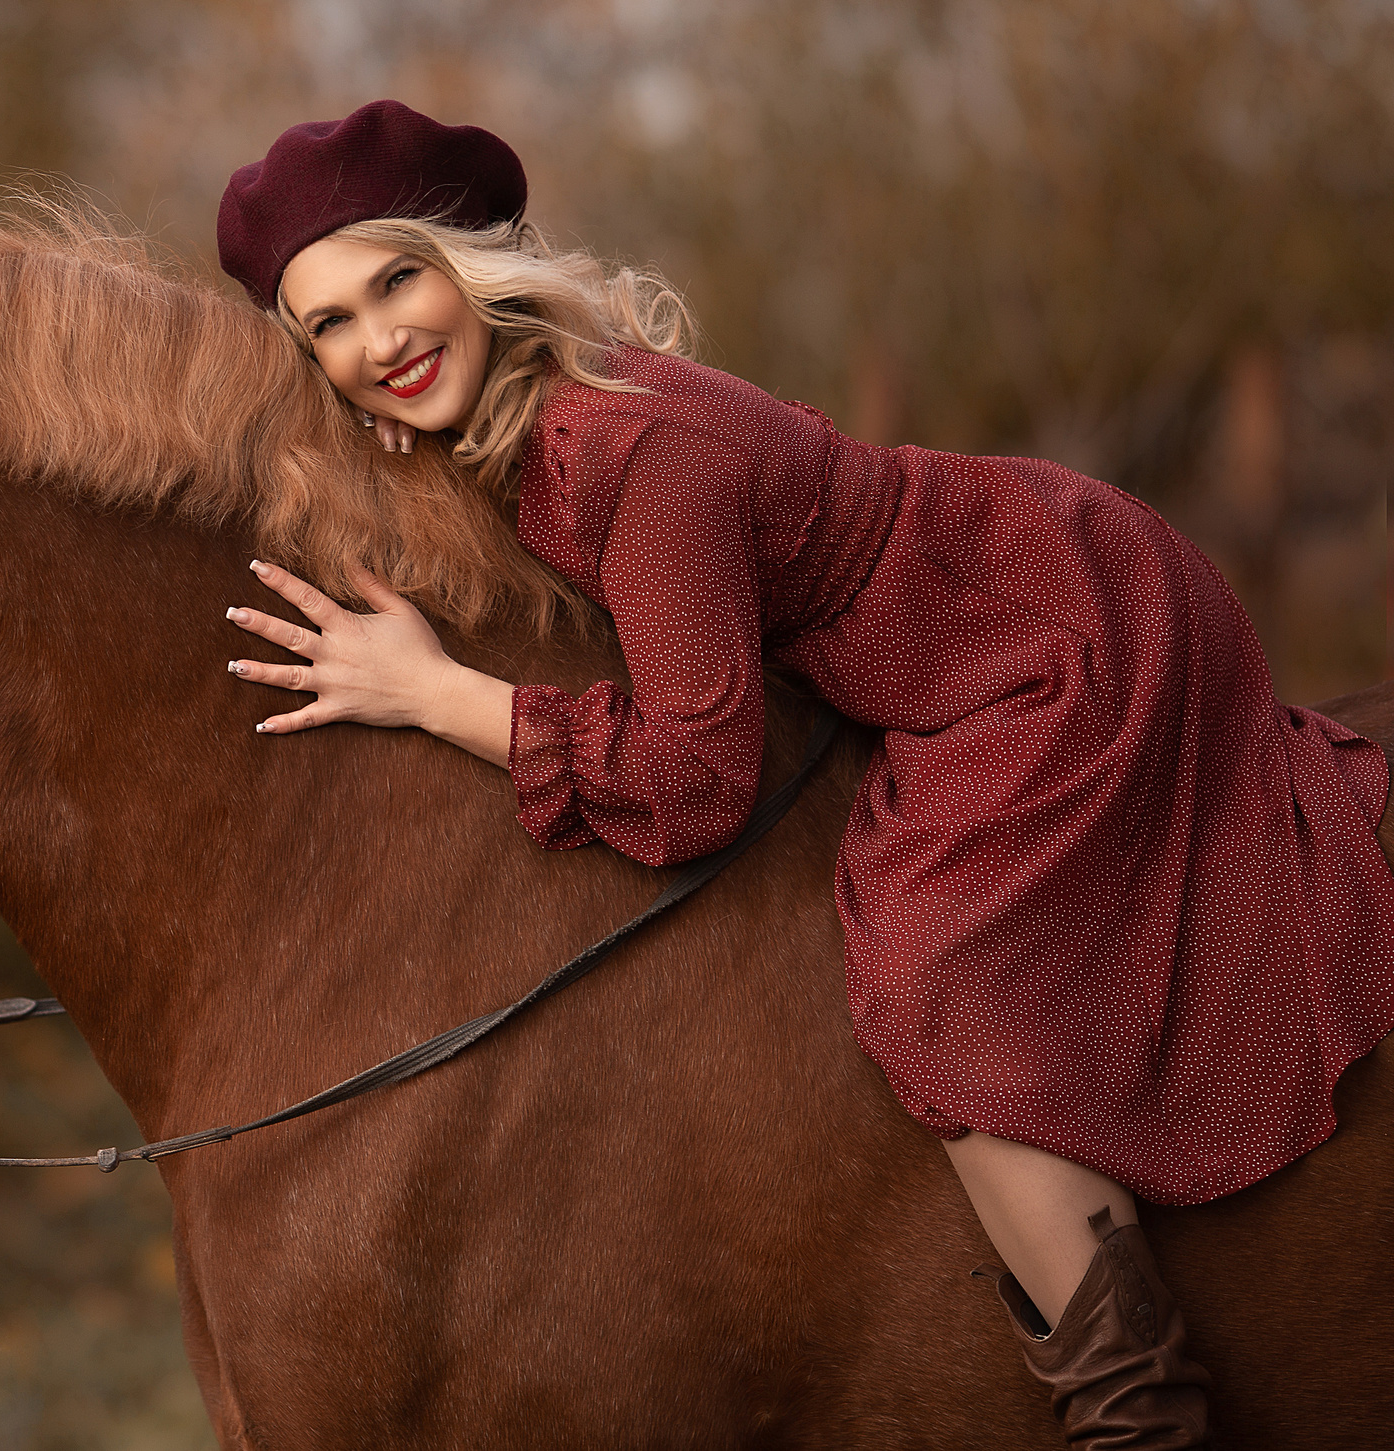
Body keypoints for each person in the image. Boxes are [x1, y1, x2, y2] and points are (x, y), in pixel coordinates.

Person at [213, 99, 1394, 1448]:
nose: (380, 342)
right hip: (959, 619)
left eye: (395, 282)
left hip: (1041, 632)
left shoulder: (626, 450)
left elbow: (699, 780)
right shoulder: (515, 425)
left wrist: (436, 695)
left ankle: (1136, 1404)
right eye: (333, 328)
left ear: (468, 268)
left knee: (937, 969)